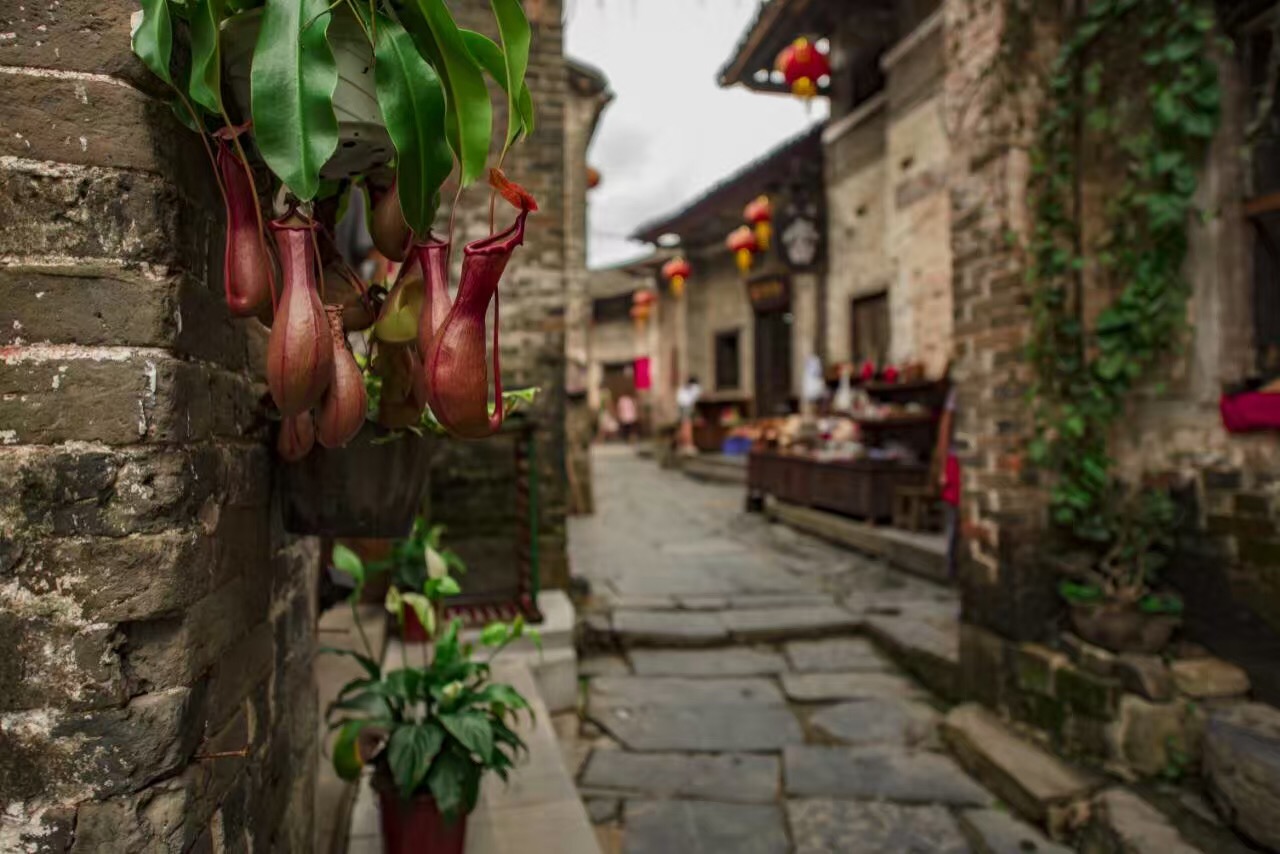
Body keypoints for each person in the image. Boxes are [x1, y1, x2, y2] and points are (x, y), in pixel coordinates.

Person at [675, 376, 702, 454]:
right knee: (687, 426)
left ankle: (681, 445)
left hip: (681, 407)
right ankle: (688, 446)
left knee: (683, 426)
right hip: (687, 407)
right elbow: (697, 397)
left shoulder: (683, 388)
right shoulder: (695, 387)